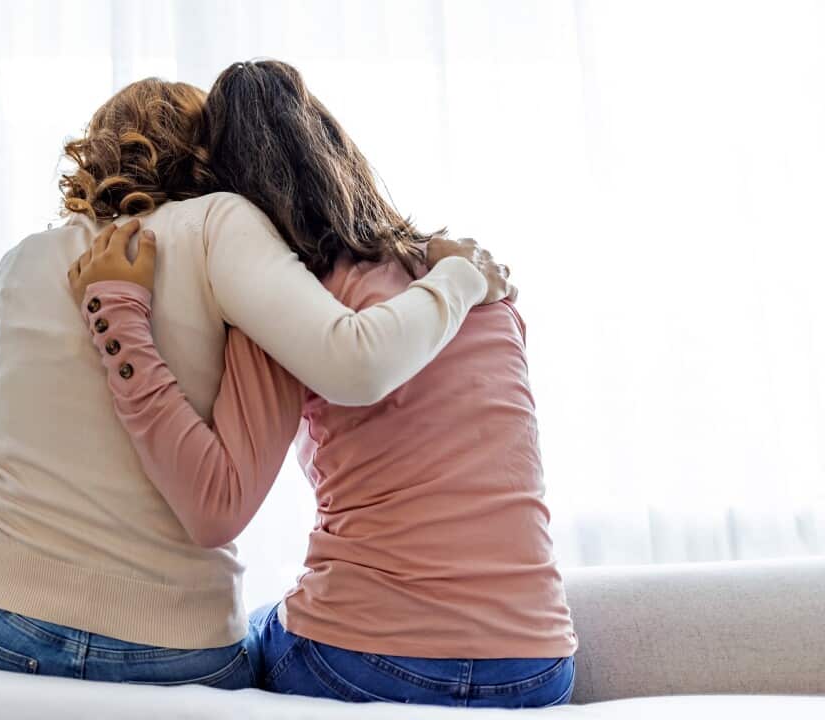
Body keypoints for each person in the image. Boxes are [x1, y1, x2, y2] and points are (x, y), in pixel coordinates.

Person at [0, 77, 513, 688]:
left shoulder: (20, 259)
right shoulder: (223, 225)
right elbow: (350, 362)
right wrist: (458, 276)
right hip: (176, 647)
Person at [68, 60, 576, 707]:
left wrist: (122, 326)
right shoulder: (479, 283)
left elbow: (214, 508)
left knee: (233, 641)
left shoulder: (287, 306)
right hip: (537, 663)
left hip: (366, 658)